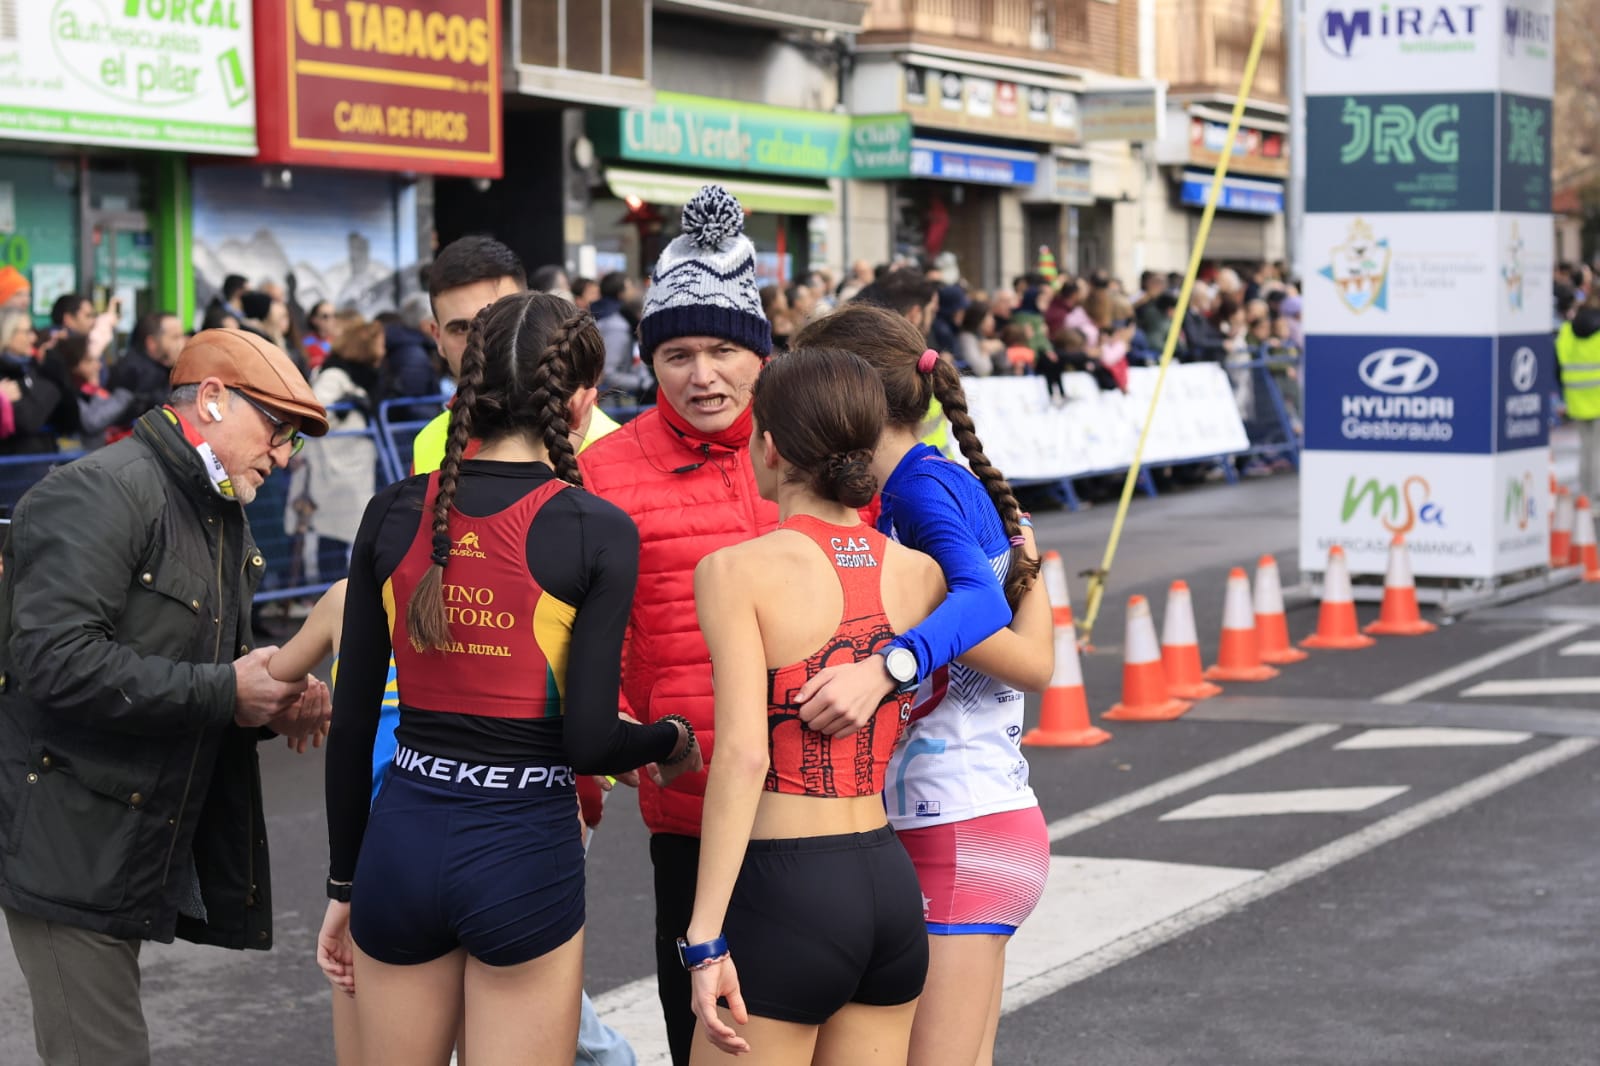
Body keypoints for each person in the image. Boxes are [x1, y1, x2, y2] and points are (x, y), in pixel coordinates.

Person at [318, 292, 701, 1065]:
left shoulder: (392, 510)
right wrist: (672, 738)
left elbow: (352, 724)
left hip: (401, 839)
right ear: (582, 400)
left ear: (470, 381)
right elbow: (590, 741)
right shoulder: (595, 527)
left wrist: (343, 886)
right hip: (523, 846)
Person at [0, 328, 333, 1066]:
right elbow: (54, 662)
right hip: (70, 846)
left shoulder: (212, 503)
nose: (283, 456)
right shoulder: (102, 489)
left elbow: (201, 666)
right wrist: (230, 690)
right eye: (277, 430)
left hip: (126, 840)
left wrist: (271, 695)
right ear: (211, 399)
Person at [794, 304, 1053, 1066]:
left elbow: (983, 609)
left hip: (957, 820)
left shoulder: (917, 490)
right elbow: (1026, 645)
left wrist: (885, 668)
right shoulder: (935, 478)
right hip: (978, 814)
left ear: (853, 398)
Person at [685, 348, 944, 1064]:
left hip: (786, 891)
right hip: (887, 882)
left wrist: (704, 937)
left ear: (769, 447)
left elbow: (744, 756)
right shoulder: (921, 573)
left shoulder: (734, 571)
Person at [577, 184, 782, 1066]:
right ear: (648, 362)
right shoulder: (603, 473)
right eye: (678, 354)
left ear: (761, 354)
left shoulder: (815, 451)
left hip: (826, 817)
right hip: (691, 822)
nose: (704, 376)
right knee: (712, 1048)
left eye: (724, 350)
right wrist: (621, 739)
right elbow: (572, 640)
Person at [412, 238, 621, 475]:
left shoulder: (611, 446)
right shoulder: (428, 440)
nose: (480, 342)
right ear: (437, 337)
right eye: (461, 328)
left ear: (530, 314)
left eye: (500, 320)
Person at [303, 315, 386, 583]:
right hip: (336, 466)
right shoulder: (335, 374)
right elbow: (318, 411)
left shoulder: (360, 375)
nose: (383, 349)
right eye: (379, 343)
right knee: (334, 532)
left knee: (352, 529)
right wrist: (345, 407)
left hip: (352, 466)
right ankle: (332, 591)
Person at [1558, 289, 1600, 503]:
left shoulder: (1567, 330)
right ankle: (1596, 493)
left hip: (1576, 396)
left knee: (1586, 447)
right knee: (1596, 448)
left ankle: (1585, 492)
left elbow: (1558, 363)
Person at [54, 333, 133, 447]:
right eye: (90, 361)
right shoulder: (66, 394)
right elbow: (92, 422)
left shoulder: (87, 390)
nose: (98, 366)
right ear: (74, 365)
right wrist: (123, 397)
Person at [0, 307, 61, 455]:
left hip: (33, 460)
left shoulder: (34, 371)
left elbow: (30, 420)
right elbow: (28, 420)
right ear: (7, 333)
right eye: (27, 332)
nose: (33, 338)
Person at [304, 300, 338, 369]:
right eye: (325, 316)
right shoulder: (307, 342)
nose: (332, 320)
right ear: (314, 319)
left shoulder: (341, 340)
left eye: (334, 315)